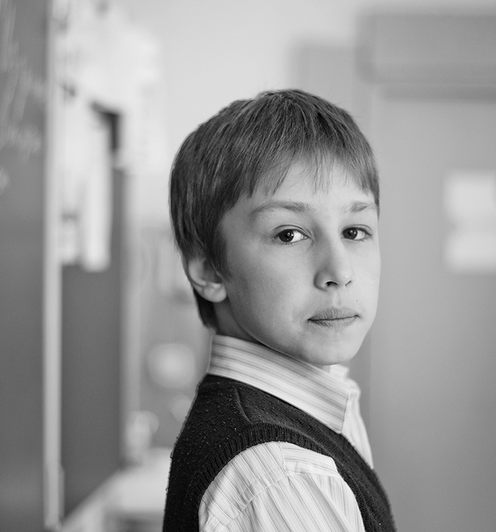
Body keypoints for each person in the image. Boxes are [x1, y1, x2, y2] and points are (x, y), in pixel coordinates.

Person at [162, 89, 395, 531]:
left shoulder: (305, 418)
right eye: (289, 234)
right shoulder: (281, 475)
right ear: (209, 268)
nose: (339, 271)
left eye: (355, 231)